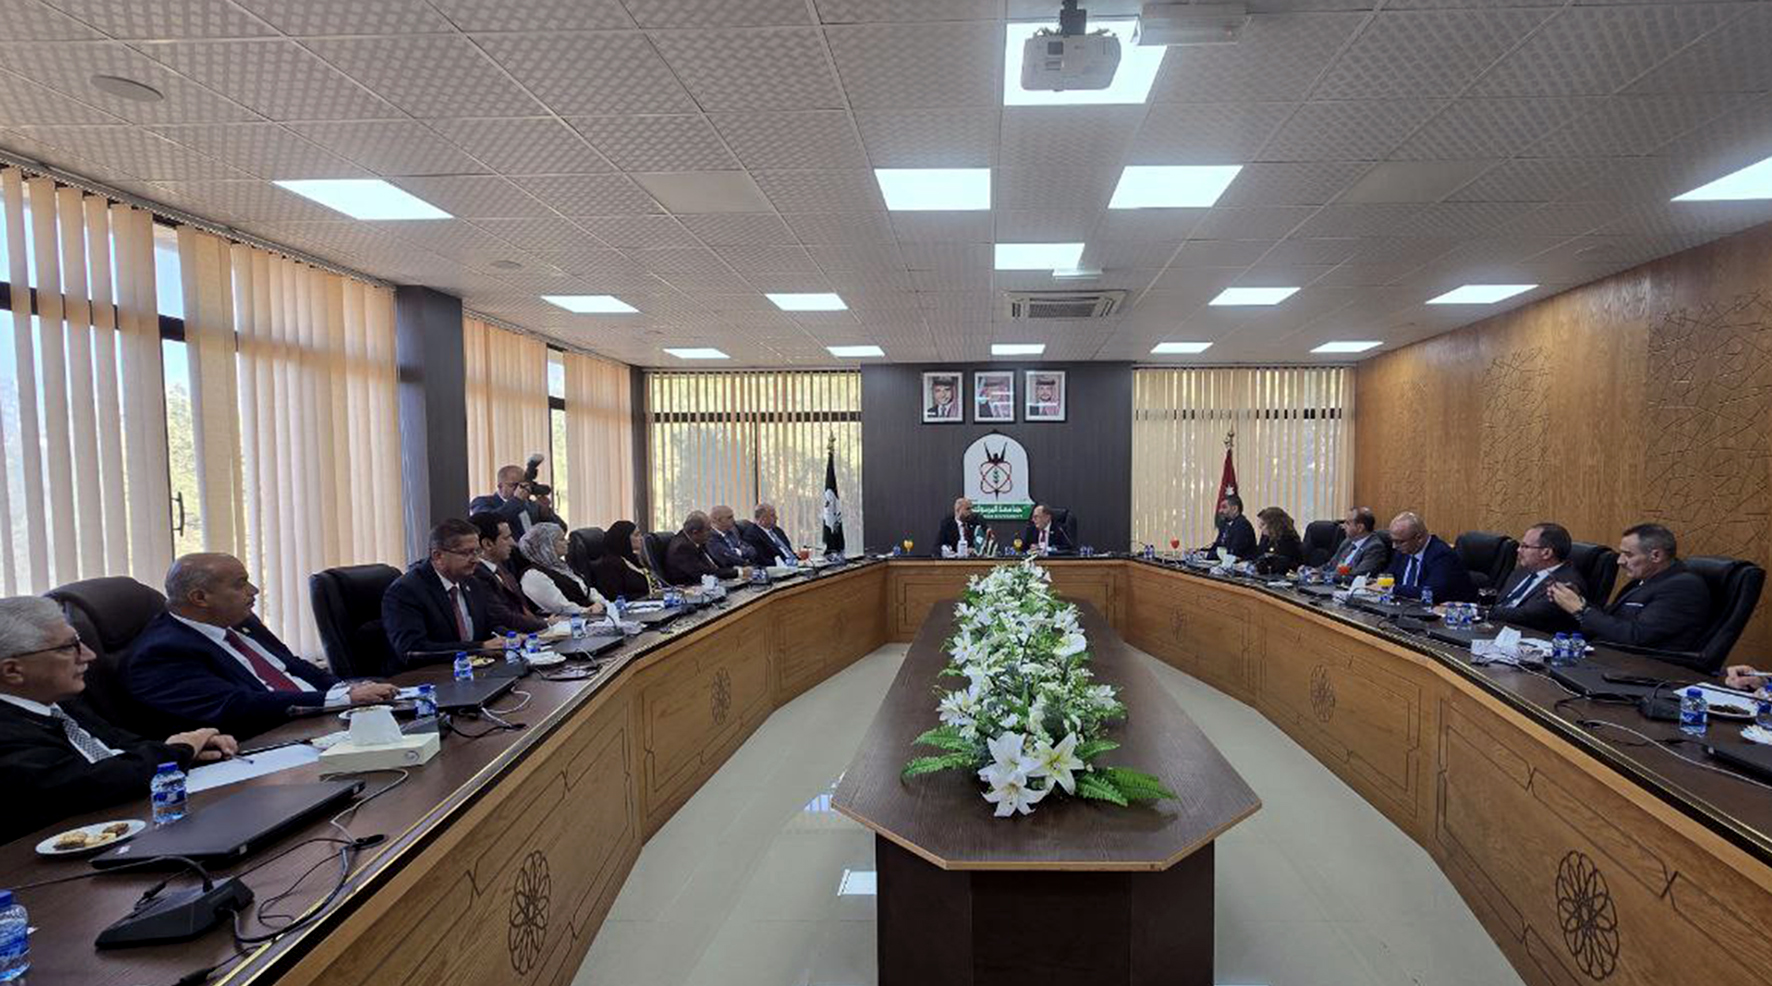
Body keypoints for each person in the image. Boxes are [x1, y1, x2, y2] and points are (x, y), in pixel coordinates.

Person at [0, 596, 239, 843]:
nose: (89, 655)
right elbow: (94, 783)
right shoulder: (6, 733)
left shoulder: (58, 703)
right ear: (13, 671)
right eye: (67, 648)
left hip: (137, 821)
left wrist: (187, 750)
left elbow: (124, 746)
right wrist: (179, 750)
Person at [129, 554, 397, 739]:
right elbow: (235, 706)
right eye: (240, 584)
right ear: (200, 598)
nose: (254, 590)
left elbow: (294, 666)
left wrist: (346, 689)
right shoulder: (162, 653)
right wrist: (341, 699)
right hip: (269, 741)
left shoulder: (239, 622)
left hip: (320, 721)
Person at [1549, 523, 1712, 656]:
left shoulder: (1683, 587)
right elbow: (1612, 619)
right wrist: (1578, 601)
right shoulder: (1642, 581)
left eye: (1628, 554)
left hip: (1643, 669)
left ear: (1656, 556)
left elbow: (1637, 637)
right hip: (1607, 657)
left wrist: (1581, 610)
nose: (1620, 561)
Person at [382, 519, 507, 667]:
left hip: (474, 671)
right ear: (437, 556)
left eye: (477, 551)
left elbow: (488, 626)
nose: (476, 560)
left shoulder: (472, 582)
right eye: (467, 553)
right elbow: (413, 650)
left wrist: (510, 637)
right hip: (425, 675)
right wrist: (479, 648)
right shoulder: (406, 591)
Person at [1486, 522, 1588, 635]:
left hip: (1527, 636)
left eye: (1525, 546)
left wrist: (1480, 610)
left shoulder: (1566, 584)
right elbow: (1500, 601)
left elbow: (1526, 616)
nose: (1518, 550)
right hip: (1495, 627)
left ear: (1546, 553)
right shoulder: (1523, 570)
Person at [468, 512, 548, 635]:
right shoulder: (477, 576)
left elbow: (521, 609)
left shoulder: (502, 568)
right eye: (506, 538)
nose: (513, 543)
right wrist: (547, 623)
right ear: (487, 544)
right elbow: (504, 617)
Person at [1383, 512, 1478, 603]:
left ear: (1419, 538)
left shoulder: (1442, 555)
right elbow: (1388, 576)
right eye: (1393, 541)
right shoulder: (1403, 551)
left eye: (1399, 542)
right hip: (1406, 606)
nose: (1394, 546)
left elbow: (1431, 592)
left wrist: (1392, 589)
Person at [518, 522, 608, 617]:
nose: (568, 542)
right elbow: (560, 607)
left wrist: (600, 602)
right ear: (546, 546)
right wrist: (587, 610)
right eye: (561, 539)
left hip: (591, 615)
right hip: (573, 620)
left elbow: (587, 590)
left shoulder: (561, 566)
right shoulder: (533, 575)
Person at [468, 456, 541, 538]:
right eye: (514, 485)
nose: (519, 489)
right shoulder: (482, 502)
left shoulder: (531, 504)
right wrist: (517, 500)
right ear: (500, 486)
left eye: (522, 485)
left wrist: (546, 512)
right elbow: (488, 522)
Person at [666, 511, 746, 585]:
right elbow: (704, 573)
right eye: (708, 530)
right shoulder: (682, 548)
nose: (711, 533)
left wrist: (736, 569)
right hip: (692, 587)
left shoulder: (696, 540)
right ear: (695, 532)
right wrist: (738, 572)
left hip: (711, 583)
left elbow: (714, 565)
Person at [595, 521, 659, 601]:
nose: (641, 538)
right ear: (623, 538)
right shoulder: (610, 565)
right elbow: (615, 597)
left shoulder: (633, 559)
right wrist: (648, 596)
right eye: (636, 535)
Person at [1324, 507, 1389, 577]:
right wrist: (1317, 572)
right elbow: (1330, 565)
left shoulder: (1375, 548)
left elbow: (1357, 575)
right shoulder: (1348, 542)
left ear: (1360, 528)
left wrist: (1326, 575)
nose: (1343, 526)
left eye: (1347, 523)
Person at [1201, 494, 1257, 559]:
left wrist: (1207, 555)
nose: (1220, 511)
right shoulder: (1225, 525)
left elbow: (1233, 552)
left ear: (1235, 509)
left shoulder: (1243, 526)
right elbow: (1218, 546)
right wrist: (1201, 552)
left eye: (1224, 507)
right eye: (1220, 508)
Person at [1253, 507, 1304, 575]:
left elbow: (1283, 565)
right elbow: (1259, 556)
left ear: (1274, 525)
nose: (1259, 527)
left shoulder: (1287, 539)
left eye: (1263, 524)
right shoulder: (1267, 536)